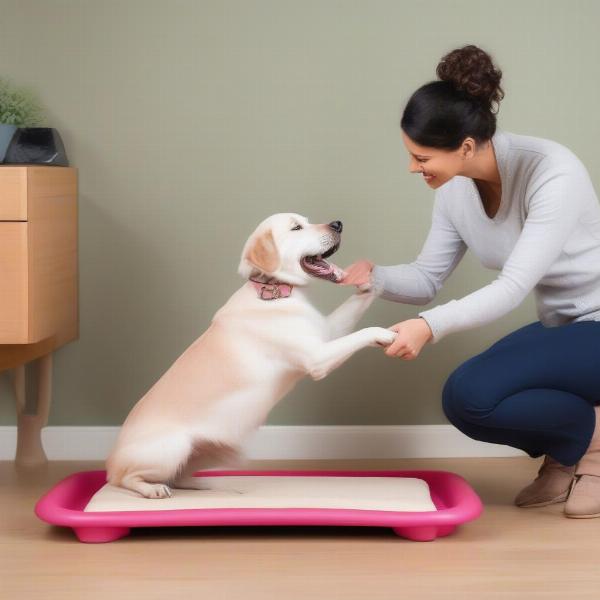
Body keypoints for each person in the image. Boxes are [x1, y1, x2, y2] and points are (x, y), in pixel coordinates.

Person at [339, 44, 600, 518]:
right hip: (567, 327)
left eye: (421, 157)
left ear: (463, 147)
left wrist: (428, 326)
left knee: (473, 391)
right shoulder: (455, 190)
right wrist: (373, 278)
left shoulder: (553, 173)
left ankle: (594, 448)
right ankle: (574, 442)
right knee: (465, 400)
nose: (412, 168)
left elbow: (513, 287)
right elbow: (426, 277)